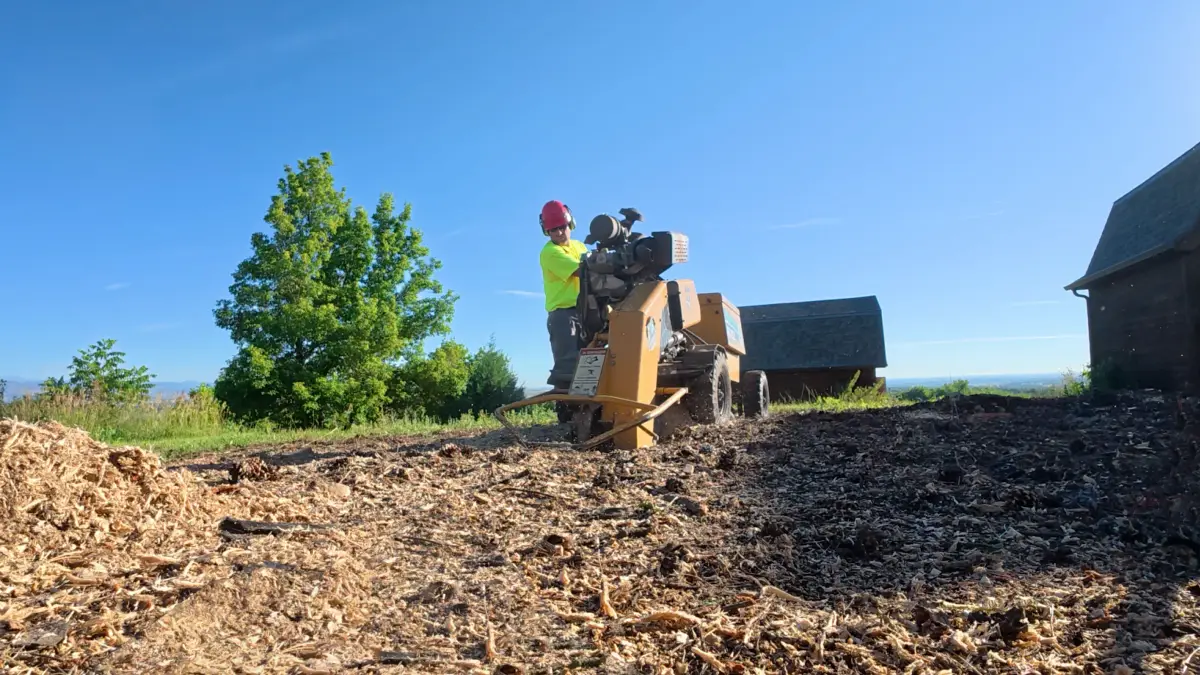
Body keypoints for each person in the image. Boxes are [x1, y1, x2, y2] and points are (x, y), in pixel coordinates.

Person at [539, 199, 588, 391]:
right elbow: (582, 271)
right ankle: (566, 406)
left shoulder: (579, 246)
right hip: (564, 316)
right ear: (547, 231)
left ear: (570, 224)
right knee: (568, 369)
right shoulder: (550, 252)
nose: (559, 232)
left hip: (585, 312)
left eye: (562, 227)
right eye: (553, 230)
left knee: (591, 364)